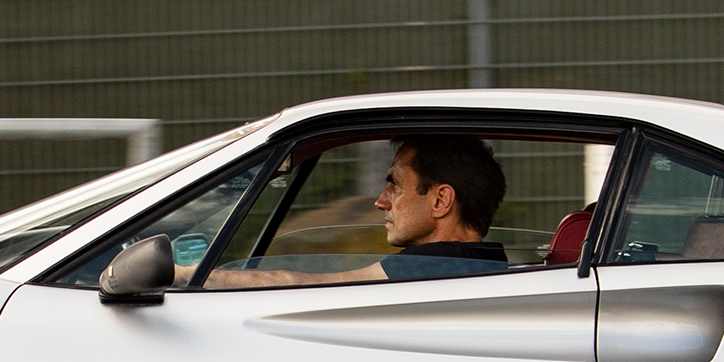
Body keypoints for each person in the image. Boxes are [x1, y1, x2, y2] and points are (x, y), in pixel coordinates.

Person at [206, 135, 509, 288]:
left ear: (441, 200)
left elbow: (310, 289)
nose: (381, 201)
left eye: (395, 185)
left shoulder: (435, 268)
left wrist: (186, 275)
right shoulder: (483, 264)